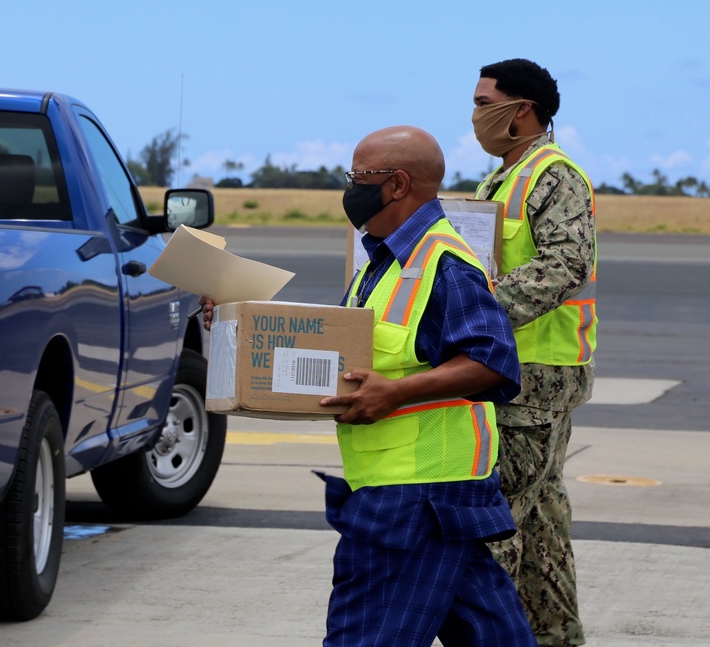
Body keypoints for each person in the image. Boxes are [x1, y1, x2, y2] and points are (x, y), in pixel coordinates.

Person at [201, 126, 536, 646]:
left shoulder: (444, 264)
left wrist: (394, 393)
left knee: (364, 638)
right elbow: (343, 350)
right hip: (425, 489)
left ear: (398, 184)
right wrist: (236, 315)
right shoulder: (383, 262)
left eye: (359, 177)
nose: (350, 187)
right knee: (494, 636)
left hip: (416, 497)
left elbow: (494, 363)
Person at [471, 58, 597, 646]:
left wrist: (478, 312)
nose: (474, 115)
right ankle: (555, 638)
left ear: (521, 111)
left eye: (483, 102)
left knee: (496, 523)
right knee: (542, 523)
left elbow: (564, 265)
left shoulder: (554, 176)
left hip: (536, 377)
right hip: (514, 370)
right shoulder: (498, 179)